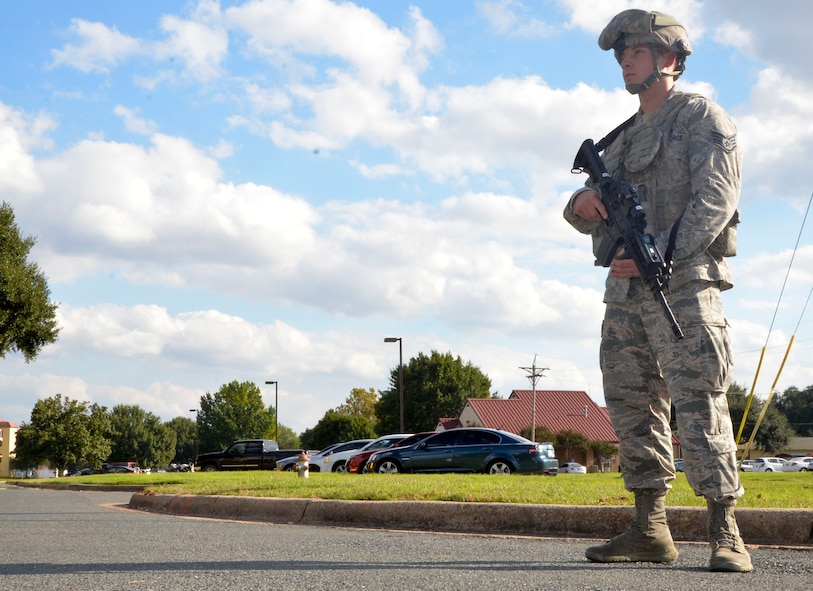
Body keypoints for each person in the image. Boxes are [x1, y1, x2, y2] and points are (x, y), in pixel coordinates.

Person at [563, 9, 752, 573]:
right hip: (624, 300)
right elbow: (575, 209)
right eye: (622, 53)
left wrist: (660, 255)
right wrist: (580, 206)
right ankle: (650, 530)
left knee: (700, 404)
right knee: (632, 409)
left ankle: (726, 532)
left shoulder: (702, 119)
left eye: (637, 51)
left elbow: (715, 202)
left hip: (686, 287)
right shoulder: (620, 140)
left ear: (670, 58)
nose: (625, 59)